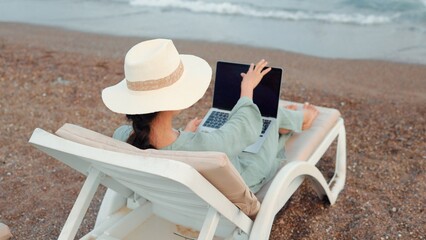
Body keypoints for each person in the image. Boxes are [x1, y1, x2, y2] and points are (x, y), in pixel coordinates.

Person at [102, 39, 318, 193]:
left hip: (179, 194)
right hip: (241, 179)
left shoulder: (121, 137)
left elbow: (167, 149)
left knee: (260, 116)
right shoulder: (205, 147)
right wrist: (247, 89)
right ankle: (303, 118)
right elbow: (244, 128)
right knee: (265, 114)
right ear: (174, 103)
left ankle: (287, 121)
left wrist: (183, 135)